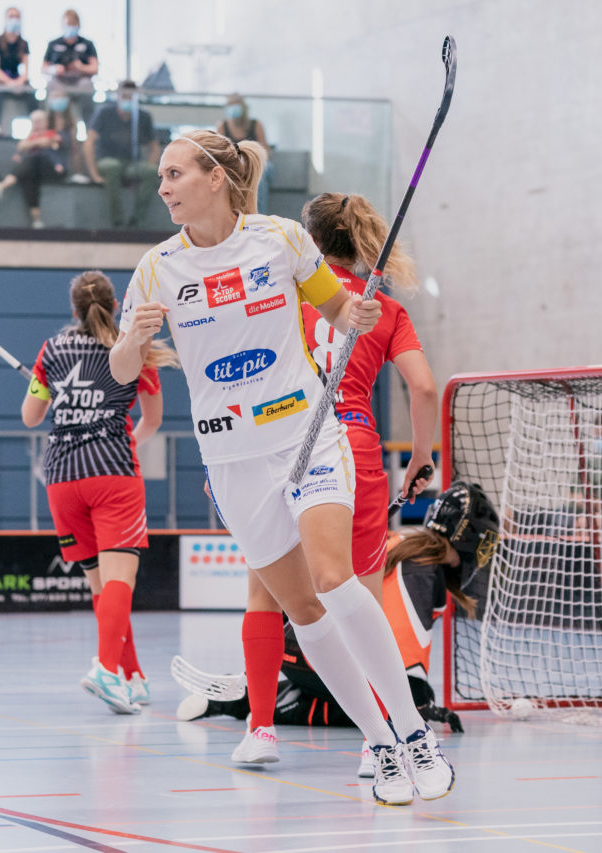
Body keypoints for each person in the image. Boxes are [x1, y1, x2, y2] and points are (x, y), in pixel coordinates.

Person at [111, 129, 454, 806]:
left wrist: (356, 312)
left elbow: (338, 309)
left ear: (215, 177)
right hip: (230, 460)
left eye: (175, 173)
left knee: (333, 578)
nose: (163, 186)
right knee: (302, 608)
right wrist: (134, 338)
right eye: (162, 176)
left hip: (306, 437)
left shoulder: (280, 239)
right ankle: (382, 745)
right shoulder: (156, 269)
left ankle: (416, 736)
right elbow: (124, 371)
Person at [227, 191, 438, 767]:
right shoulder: (382, 309)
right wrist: (421, 455)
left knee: (264, 592)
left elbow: (245, 376)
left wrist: (233, 454)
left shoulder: (282, 294)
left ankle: (261, 730)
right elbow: (424, 387)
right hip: (354, 449)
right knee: (359, 598)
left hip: (277, 444)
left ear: (311, 243)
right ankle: (380, 742)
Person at [177, 482, 502, 756]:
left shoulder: (399, 542)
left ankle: (262, 693)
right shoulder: (428, 570)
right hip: (313, 648)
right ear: (467, 535)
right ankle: (246, 702)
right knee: (401, 702)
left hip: (300, 640)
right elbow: (404, 653)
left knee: (388, 696)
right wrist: (418, 703)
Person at [22, 270, 169, 714]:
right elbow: (152, 421)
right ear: (117, 305)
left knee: (103, 586)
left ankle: (132, 676)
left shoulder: (51, 350)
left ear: (73, 309)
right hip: (112, 472)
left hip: (62, 477)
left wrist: (47, 388)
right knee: (120, 580)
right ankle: (106, 669)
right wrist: (126, 440)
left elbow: (31, 416)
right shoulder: (133, 348)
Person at [84, 80, 158, 228]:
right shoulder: (104, 113)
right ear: (118, 95)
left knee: (151, 172)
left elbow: (155, 147)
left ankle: (137, 220)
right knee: (113, 166)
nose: (127, 99)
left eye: (131, 96)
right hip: (107, 161)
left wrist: (150, 164)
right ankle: (116, 220)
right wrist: (94, 174)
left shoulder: (143, 116)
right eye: (125, 95)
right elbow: (89, 142)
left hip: (131, 164)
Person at [0, 108, 65, 228]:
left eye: (39, 121)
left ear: (46, 121)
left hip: (52, 168)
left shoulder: (52, 134)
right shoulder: (31, 136)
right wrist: (34, 141)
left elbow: (46, 142)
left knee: (33, 158)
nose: (36, 124)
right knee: (29, 177)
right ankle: (37, 220)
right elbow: (21, 146)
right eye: (34, 122)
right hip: (34, 170)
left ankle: (2, 186)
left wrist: (32, 142)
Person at [216, 94, 271, 212]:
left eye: (236, 104)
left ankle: (259, 215)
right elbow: (219, 152)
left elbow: (265, 150)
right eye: (230, 104)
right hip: (234, 164)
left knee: (259, 178)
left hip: (257, 163)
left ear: (243, 107)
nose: (233, 107)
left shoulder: (255, 124)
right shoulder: (222, 126)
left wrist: (252, 161)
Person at [0, 6, 33, 137]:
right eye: (11, 16)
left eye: (16, 16)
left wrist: (18, 82)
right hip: (0, 79)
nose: (14, 19)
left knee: (30, 92)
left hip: (16, 79)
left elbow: (26, 72)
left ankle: (36, 127)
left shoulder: (23, 44)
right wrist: (9, 83)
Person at [41, 8, 96, 122]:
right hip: (60, 81)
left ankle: (89, 126)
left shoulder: (87, 44)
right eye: (68, 24)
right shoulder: (54, 44)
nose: (70, 27)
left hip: (80, 81)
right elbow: (44, 68)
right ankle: (52, 124)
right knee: (53, 85)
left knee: (86, 85)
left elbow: (94, 68)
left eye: (73, 24)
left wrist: (81, 67)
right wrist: (54, 69)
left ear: (78, 25)